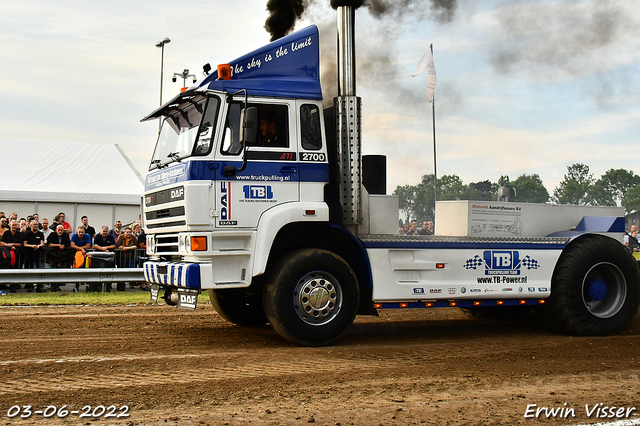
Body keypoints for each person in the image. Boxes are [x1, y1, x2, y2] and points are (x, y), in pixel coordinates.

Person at [22, 220, 46, 292]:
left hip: (38, 254)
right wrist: (32, 246)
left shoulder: (40, 234)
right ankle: (30, 286)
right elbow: (24, 244)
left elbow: (42, 243)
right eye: (34, 224)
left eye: (36, 225)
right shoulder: (28, 234)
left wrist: (38, 246)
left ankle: (39, 287)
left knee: (39, 270)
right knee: (30, 270)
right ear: (30, 225)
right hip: (29, 255)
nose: (35, 226)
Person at [1, 220, 24, 292]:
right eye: (13, 225)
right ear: (10, 226)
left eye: (15, 225)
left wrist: (13, 245)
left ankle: (13, 286)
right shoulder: (6, 233)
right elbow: (2, 242)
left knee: (15, 269)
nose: (14, 226)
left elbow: (20, 244)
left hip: (17, 255)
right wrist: (8, 245)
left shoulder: (19, 234)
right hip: (7, 256)